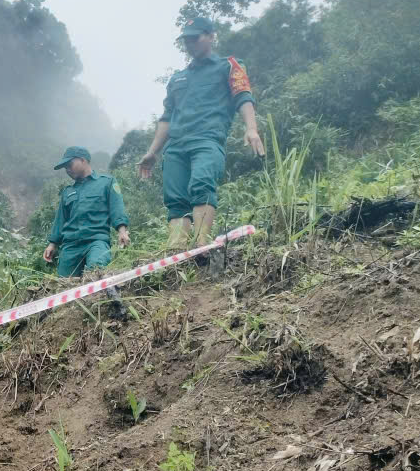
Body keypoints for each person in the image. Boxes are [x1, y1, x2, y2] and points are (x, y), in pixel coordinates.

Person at [136, 15, 265, 247]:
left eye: (195, 38)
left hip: (207, 139)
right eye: (186, 40)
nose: (190, 43)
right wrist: (153, 152)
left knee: (202, 184)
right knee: (175, 200)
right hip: (176, 146)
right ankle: (177, 254)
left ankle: (201, 246)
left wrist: (251, 129)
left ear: (211, 37)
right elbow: (166, 118)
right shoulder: (177, 78)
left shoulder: (229, 66)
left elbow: (243, 95)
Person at [43, 146, 131, 280]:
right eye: (65, 167)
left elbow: (117, 208)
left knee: (96, 272)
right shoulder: (67, 192)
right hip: (70, 246)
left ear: (83, 160)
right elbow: (60, 220)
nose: (67, 169)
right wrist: (52, 244)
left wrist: (122, 231)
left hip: (96, 241)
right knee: (63, 285)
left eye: (69, 164)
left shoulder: (106, 182)